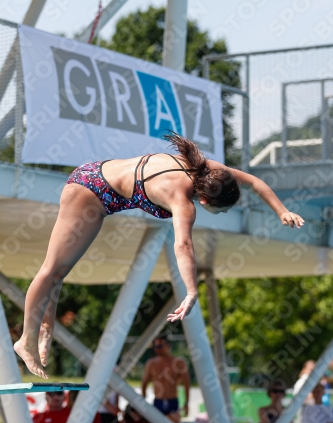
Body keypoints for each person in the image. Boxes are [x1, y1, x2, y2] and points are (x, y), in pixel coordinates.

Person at [14, 132, 304, 378]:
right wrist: (191, 292)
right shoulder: (182, 200)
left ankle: (46, 326)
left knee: (59, 271)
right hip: (90, 193)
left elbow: (254, 181)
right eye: (223, 209)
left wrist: (283, 211)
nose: (224, 213)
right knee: (51, 270)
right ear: (204, 200)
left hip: (95, 172)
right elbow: (183, 246)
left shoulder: (206, 169)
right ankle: (25, 341)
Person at [142, 334, 190, 423]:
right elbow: (144, 383)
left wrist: (186, 403)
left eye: (159, 346)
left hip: (172, 401)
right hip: (158, 401)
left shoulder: (179, 363)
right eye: (155, 346)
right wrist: (143, 401)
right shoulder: (151, 363)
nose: (157, 349)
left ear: (168, 346)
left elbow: (186, 384)